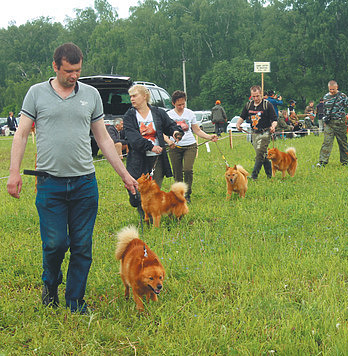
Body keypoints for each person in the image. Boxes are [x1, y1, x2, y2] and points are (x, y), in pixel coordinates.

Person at [6, 42, 138, 314]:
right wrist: (14, 172)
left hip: (84, 184)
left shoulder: (90, 95)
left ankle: (75, 301)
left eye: (77, 70)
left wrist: (125, 175)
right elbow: (20, 134)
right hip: (49, 184)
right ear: (55, 67)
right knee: (55, 244)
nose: (74, 75)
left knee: (82, 246)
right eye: (68, 71)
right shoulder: (36, 94)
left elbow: (102, 138)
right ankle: (50, 285)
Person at [123, 84, 183, 214]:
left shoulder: (158, 112)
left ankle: (150, 219)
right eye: (130, 96)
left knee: (153, 191)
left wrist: (175, 133)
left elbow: (170, 125)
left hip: (157, 160)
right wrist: (150, 146)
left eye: (134, 96)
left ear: (144, 96)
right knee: (137, 194)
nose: (132, 99)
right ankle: (140, 207)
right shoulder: (129, 116)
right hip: (138, 160)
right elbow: (133, 138)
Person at [165, 90, 218, 202]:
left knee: (188, 169)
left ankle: (187, 194)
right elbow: (163, 133)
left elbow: (197, 130)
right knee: (177, 172)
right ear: (173, 103)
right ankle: (179, 194)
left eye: (183, 104)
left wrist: (209, 137)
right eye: (179, 104)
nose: (182, 106)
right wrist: (169, 142)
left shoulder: (190, 113)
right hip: (174, 147)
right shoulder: (168, 115)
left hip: (190, 145)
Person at [236, 85, 277, 179]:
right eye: (253, 96)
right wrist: (238, 124)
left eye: (257, 96)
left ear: (261, 94)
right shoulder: (248, 105)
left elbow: (274, 119)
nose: (256, 98)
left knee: (259, 153)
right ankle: (269, 175)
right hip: (254, 133)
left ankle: (254, 176)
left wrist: (273, 126)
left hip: (265, 133)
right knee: (262, 154)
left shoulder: (267, 105)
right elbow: (242, 116)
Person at [317, 80, 348, 167]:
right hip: (329, 123)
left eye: (333, 89)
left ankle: (345, 162)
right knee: (327, 142)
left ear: (337, 87)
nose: (332, 91)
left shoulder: (342, 96)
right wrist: (325, 120)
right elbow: (325, 110)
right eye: (330, 89)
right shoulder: (326, 97)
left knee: (342, 143)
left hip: (340, 123)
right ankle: (322, 162)